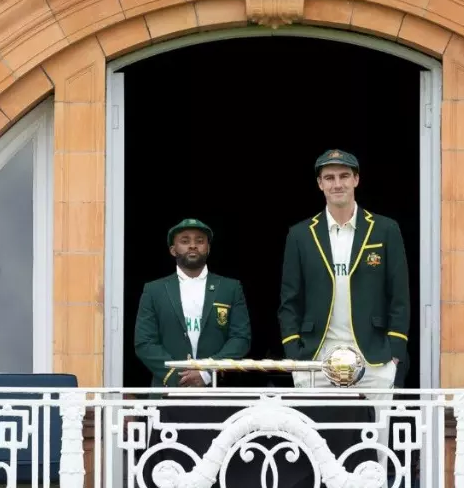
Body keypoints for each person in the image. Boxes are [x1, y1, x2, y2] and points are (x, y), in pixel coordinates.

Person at [277, 149, 411, 396]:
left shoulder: (385, 229)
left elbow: (399, 297)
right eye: (329, 178)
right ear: (320, 183)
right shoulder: (300, 234)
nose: (337, 184)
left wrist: (394, 353)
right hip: (316, 355)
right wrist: (294, 354)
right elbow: (290, 300)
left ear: (356, 180)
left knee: (376, 434)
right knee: (315, 435)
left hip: (374, 356)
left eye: (344, 176)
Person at [133, 218, 251, 387]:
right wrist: (177, 376)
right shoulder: (154, 290)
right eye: (185, 241)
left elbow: (240, 339)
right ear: (173, 250)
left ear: (208, 248)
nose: (193, 245)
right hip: (168, 392)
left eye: (200, 241)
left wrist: (207, 373)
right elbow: (144, 342)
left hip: (217, 391)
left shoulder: (230, 288)